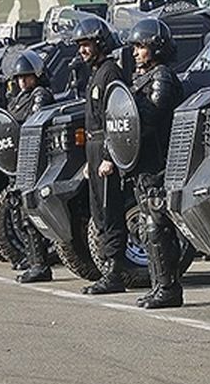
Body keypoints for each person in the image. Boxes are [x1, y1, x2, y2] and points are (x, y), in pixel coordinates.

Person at [124, 18, 185, 309]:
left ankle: (168, 288)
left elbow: (150, 117)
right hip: (143, 163)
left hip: (159, 161)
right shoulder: (141, 78)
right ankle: (159, 285)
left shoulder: (161, 77)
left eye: (141, 46)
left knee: (158, 226)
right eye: (135, 47)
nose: (136, 52)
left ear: (156, 47)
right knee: (149, 226)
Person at [72, 16, 131, 294]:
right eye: (80, 45)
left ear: (100, 43)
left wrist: (109, 155)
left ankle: (115, 272)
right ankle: (108, 268)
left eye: (87, 44)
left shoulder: (110, 72)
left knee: (110, 210)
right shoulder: (95, 74)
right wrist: (91, 158)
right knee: (98, 211)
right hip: (94, 147)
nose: (82, 50)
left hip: (106, 147)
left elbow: (115, 116)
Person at [4, 50, 57, 283]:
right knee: (19, 213)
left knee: (30, 214)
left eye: (26, 76)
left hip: (34, 163)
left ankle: (40, 265)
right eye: (19, 78)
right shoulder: (18, 99)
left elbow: (32, 124)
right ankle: (32, 257)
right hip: (17, 162)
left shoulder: (40, 95)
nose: (22, 81)